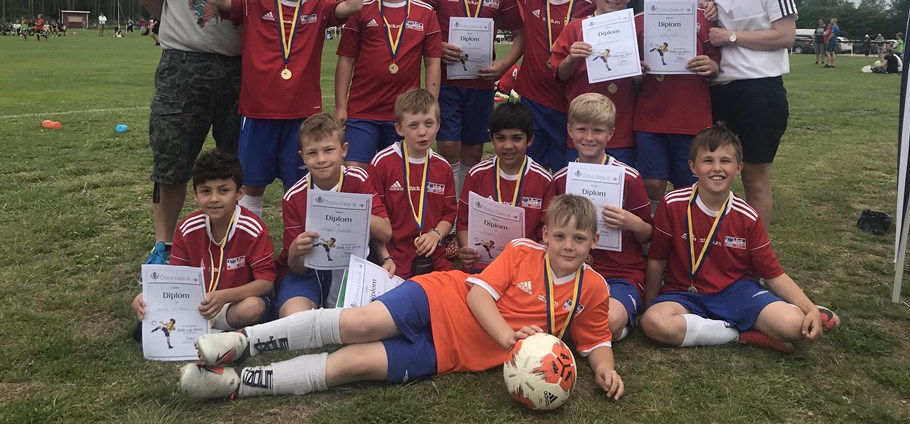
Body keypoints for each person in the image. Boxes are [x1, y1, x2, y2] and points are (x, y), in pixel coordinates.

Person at [179, 194, 624, 403]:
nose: (568, 246)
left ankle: (233, 384)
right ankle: (241, 342)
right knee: (358, 324)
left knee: (353, 365)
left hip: (450, 352)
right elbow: (477, 297)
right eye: (560, 236)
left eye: (578, 239)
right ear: (545, 235)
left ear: (593, 241)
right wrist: (509, 339)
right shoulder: (522, 252)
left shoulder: (594, 288)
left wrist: (605, 369)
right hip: (442, 297)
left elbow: (595, 341)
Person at [134, 0, 277, 265]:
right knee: (172, 160)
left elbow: (268, 4)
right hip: (184, 65)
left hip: (242, 68)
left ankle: (233, 244)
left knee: (237, 161)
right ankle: (164, 247)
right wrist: (176, 23)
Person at [641, 125, 839, 352]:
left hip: (736, 293)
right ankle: (742, 335)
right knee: (654, 323)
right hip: (684, 293)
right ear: (693, 166)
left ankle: (798, 311)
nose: (717, 168)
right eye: (708, 161)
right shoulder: (672, 204)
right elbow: (657, 259)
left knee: (794, 327)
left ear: (738, 168)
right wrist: (648, 305)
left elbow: (773, 274)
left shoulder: (747, 216)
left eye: (725, 161)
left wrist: (809, 308)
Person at [208, 0, 362, 215]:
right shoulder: (255, 1)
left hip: (302, 117)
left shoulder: (318, 7)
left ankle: (302, 241)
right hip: (258, 113)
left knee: (301, 186)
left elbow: (353, 6)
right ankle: (251, 238)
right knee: (252, 185)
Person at [692, 0, 797, 227]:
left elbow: (786, 35)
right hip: (716, 90)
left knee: (754, 178)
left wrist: (732, 36)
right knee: (711, 176)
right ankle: (714, 245)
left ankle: (756, 254)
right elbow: (693, 31)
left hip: (759, 91)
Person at [419, 0, 525, 194]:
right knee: (448, 145)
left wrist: (504, 65)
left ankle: (463, 204)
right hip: (446, 82)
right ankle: (446, 204)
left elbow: (520, 35)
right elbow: (417, 22)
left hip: (481, 83)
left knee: (474, 150)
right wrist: (437, 46)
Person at [132, 150, 276, 331]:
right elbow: (176, 278)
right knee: (140, 300)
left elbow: (266, 283)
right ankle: (202, 330)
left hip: (234, 304)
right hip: (196, 307)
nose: (214, 199)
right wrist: (144, 300)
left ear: (240, 193)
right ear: (195, 194)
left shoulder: (253, 230)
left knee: (253, 307)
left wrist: (223, 296)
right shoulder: (187, 229)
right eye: (206, 191)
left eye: (224, 190)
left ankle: (211, 331)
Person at [334, 0, 442, 169]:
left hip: (406, 113)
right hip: (363, 110)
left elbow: (433, 63)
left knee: (398, 174)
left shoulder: (426, 13)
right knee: (355, 170)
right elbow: (346, 60)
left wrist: (430, 108)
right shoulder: (361, 10)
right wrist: (341, 106)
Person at [486, 0, 594, 172]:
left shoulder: (587, 6)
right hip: (533, 102)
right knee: (533, 170)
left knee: (565, 172)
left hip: (568, 107)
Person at [553, 94, 652, 340]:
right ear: (570, 131)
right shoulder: (561, 179)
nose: (589, 137)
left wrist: (632, 222)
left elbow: (648, 235)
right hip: (571, 269)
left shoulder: (628, 178)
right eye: (582, 129)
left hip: (621, 273)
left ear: (610, 133)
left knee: (605, 321)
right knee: (549, 315)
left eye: (597, 130)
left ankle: (618, 326)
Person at [276, 114, 392, 318]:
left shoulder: (358, 179)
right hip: (311, 274)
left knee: (374, 317)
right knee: (293, 315)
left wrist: (352, 211)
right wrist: (295, 251)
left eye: (328, 150)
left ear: (344, 150)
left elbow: (385, 232)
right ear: (302, 156)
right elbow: (296, 269)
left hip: (353, 267)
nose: (321, 159)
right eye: (312, 153)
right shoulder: (293, 197)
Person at [634, 0, 720, 212]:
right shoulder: (638, 21)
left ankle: (685, 229)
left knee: (689, 184)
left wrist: (712, 66)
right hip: (650, 117)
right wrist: (635, 70)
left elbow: (717, 60)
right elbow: (630, 71)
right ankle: (654, 230)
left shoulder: (705, 19)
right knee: (651, 182)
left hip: (691, 118)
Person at [550, 0, 639, 165]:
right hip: (583, 130)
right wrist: (571, 59)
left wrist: (639, 74)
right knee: (579, 182)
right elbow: (559, 74)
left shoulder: (636, 29)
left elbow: (645, 79)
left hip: (621, 128)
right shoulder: (576, 28)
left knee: (619, 181)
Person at [456, 101, 555, 272]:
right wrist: (466, 250)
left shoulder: (543, 180)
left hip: (524, 266)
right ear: (491, 139)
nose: (508, 146)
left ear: (530, 140)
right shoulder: (477, 174)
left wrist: (534, 263)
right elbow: (464, 223)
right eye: (501, 138)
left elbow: (545, 233)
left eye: (517, 138)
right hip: (482, 264)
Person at [367, 89, 456, 279]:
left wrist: (436, 235)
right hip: (393, 258)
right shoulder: (382, 163)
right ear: (399, 129)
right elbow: (373, 220)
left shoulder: (443, 167)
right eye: (413, 125)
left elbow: (449, 214)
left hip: (433, 254)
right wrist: (385, 258)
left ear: (438, 125)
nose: (422, 132)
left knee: (457, 290)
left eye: (429, 124)